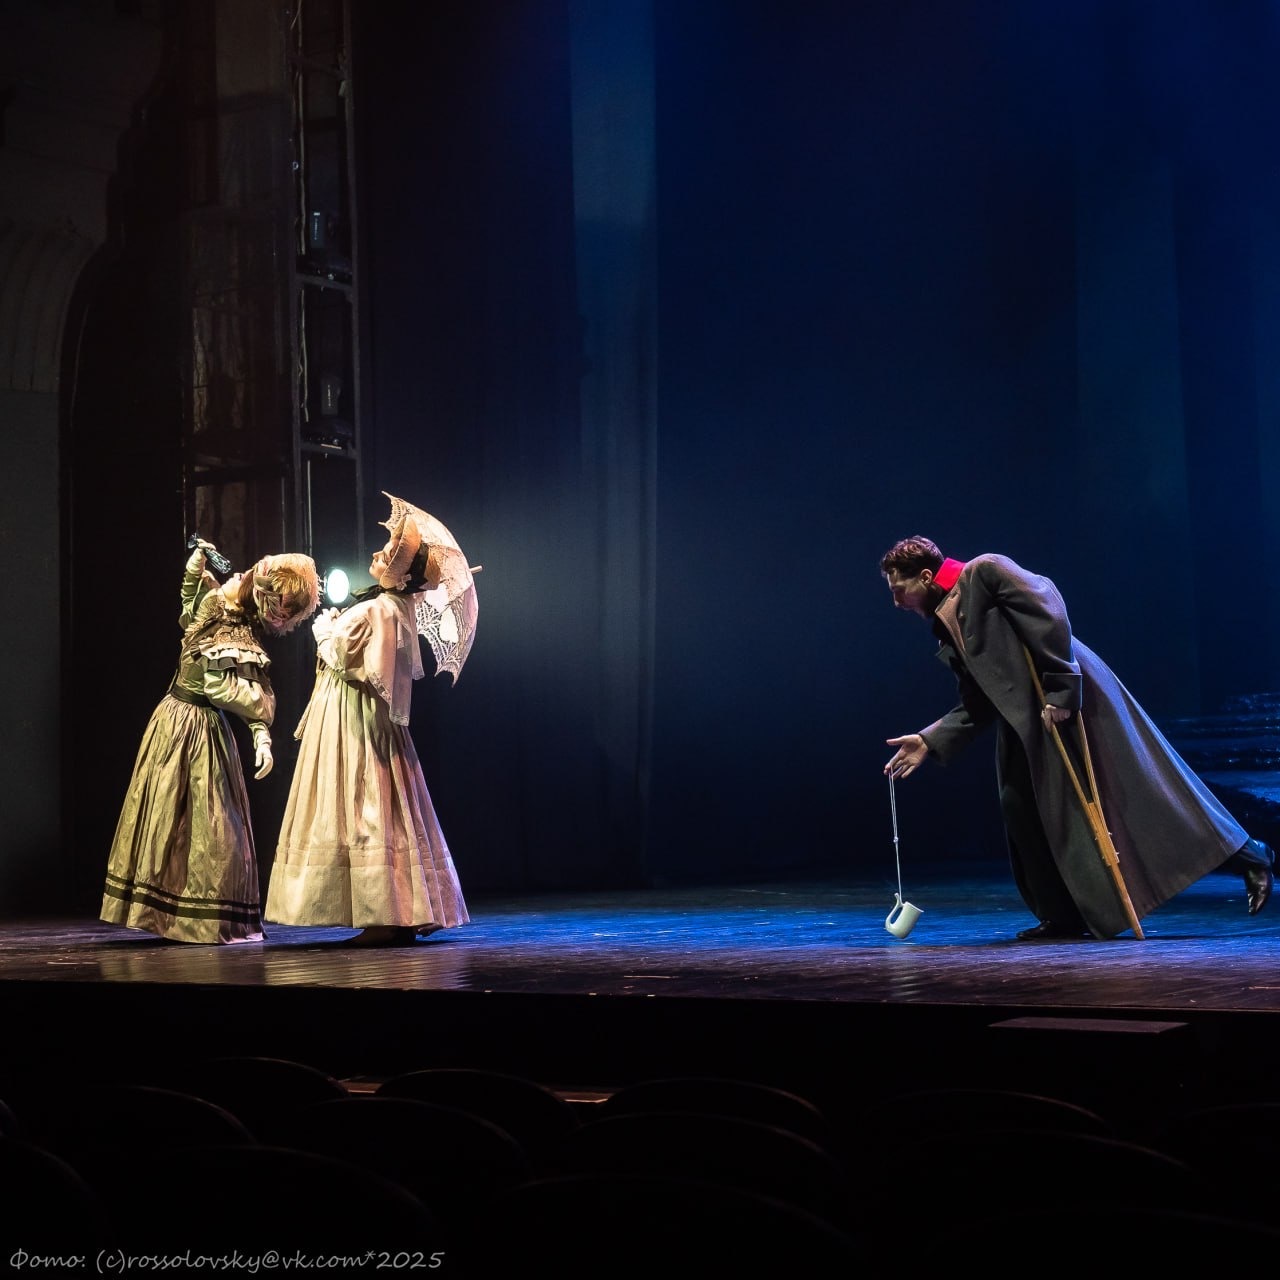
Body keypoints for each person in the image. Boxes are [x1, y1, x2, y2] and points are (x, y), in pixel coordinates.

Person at [880, 536, 1274, 940]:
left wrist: (1062, 690)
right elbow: (979, 701)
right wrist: (929, 740)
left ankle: (1249, 855)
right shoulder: (945, 624)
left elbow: (1049, 610)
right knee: (1021, 808)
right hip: (1025, 722)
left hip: (1069, 704)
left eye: (899, 590)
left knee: (1141, 794)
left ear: (925, 577)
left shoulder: (984, 571)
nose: (897, 603)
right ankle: (1061, 915)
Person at [264, 500, 470, 946]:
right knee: (385, 800)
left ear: (400, 574)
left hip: (353, 718)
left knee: (364, 800)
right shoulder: (395, 608)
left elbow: (351, 661)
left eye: (389, 553)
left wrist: (326, 632)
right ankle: (400, 909)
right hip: (363, 715)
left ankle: (383, 915)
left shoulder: (381, 608)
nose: (379, 553)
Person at [102, 539, 320, 943]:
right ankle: (166, 913)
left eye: (251, 574)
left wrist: (261, 734)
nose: (241, 572)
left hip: (200, 726)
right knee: (168, 818)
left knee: (212, 826)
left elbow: (226, 688)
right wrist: (193, 569)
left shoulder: (235, 627)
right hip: (177, 720)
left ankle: (199, 916)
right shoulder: (217, 605)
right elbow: (190, 615)